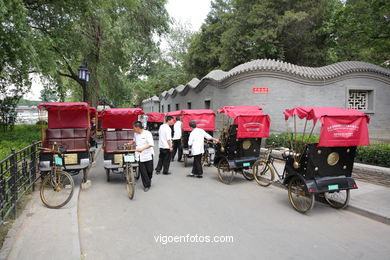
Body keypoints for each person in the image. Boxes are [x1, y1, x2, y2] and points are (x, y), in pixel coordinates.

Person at [128, 121, 154, 192]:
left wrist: (142, 149)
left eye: (134, 128)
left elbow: (151, 144)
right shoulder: (136, 134)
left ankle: (148, 180)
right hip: (139, 156)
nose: (133, 129)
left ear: (138, 127)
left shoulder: (147, 133)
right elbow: (135, 139)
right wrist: (131, 142)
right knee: (143, 172)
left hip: (148, 155)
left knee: (150, 170)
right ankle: (146, 185)